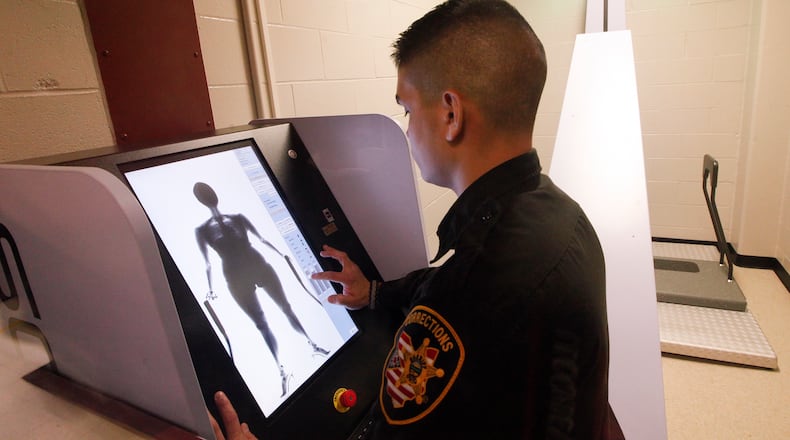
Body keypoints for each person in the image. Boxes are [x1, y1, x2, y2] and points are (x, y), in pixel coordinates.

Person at [211, 0, 624, 438]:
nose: (407, 130)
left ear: (450, 113)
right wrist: (372, 292)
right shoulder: (557, 214)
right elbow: (444, 282)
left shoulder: (476, 287)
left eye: (407, 110)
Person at [193, 181, 328, 398]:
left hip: (259, 265)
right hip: (235, 277)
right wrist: (210, 290)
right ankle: (282, 370)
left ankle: (313, 345)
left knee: (286, 308)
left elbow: (262, 239)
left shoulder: (238, 218)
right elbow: (207, 263)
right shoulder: (202, 231)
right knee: (261, 324)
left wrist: (282, 255)